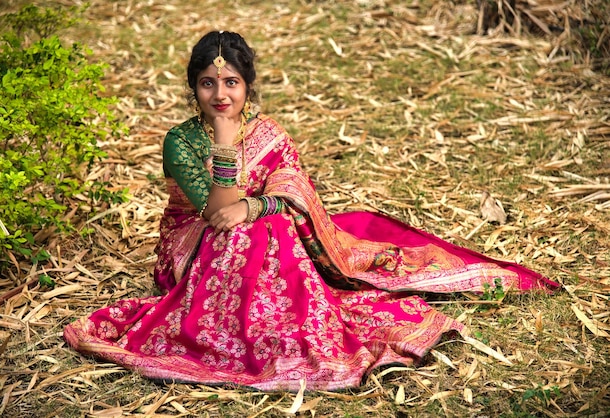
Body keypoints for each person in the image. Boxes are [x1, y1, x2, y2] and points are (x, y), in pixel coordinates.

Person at [64, 31, 559, 391]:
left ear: (248, 86)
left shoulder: (270, 132)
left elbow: (292, 190)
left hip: (262, 234)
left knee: (269, 223)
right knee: (249, 230)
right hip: (191, 248)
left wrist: (256, 204)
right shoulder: (181, 141)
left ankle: (292, 333)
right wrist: (223, 143)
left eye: (231, 82)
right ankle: (269, 338)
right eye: (208, 84)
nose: (220, 95)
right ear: (193, 88)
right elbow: (216, 212)